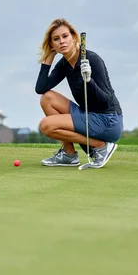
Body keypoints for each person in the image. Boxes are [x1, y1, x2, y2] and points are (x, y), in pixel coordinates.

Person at [35, 18, 123, 167]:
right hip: (88, 115)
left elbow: (106, 102)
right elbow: (41, 88)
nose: (62, 41)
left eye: (65, 36)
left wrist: (89, 81)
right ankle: (69, 154)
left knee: (46, 125)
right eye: (56, 39)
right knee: (47, 98)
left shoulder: (92, 60)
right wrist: (49, 58)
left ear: (74, 37)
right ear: (52, 45)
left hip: (108, 120)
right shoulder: (64, 64)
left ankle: (100, 146)